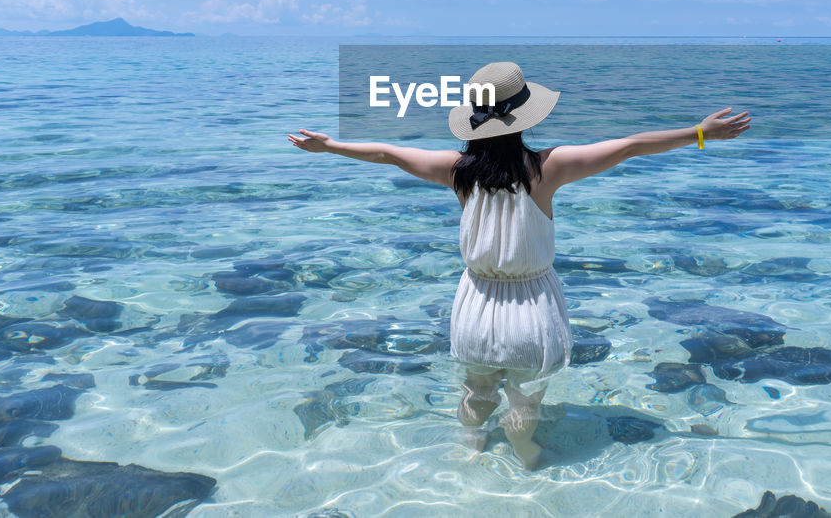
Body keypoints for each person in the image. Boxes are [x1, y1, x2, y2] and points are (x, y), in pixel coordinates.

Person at [288, 61, 749, 469]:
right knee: (526, 395)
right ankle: (524, 450)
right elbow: (628, 146)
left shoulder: (455, 171)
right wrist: (699, 133)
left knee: (477, 386)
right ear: (522, 117)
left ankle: (471, 442)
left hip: (474, 307)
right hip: (530, 307)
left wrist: (330, 146)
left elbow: (388, 152)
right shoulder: (548, 168)